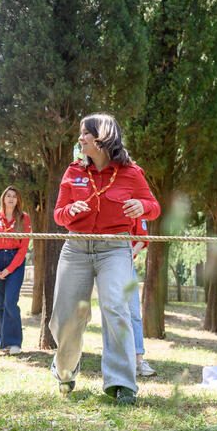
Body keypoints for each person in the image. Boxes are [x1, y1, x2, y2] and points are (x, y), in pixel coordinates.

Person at [50, 113, 160, 405]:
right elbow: (58, 214)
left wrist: (143, 206)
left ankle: (122, 383)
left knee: (116, 309)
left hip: (115, 249)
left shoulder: (131, 173)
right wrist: (69, 212)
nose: (79, 139)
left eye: (84, 133)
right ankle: (65, 371)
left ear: (101, 137)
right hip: (76, 248)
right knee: (67, 317)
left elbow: (154, 207)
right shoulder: (73, 171)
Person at [100, 216, 156, 377]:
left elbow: (142, 238)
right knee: (110, 312)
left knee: (133, 313)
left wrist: (129, 255)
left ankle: (139, 360)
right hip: (101, 262)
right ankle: (115, 361)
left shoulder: (135, 205)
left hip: (125, 264)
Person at [0, 185, 30, 354]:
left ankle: (15, 342)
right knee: (0, 304)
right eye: (8, 195)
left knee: (11, 301)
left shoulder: (24, 219)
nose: (11, 198)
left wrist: (9, 269)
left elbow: (24, 248)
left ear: (18, 201)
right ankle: (2, 343)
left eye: (14, 196)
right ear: (3, 198)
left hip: (15, 262)